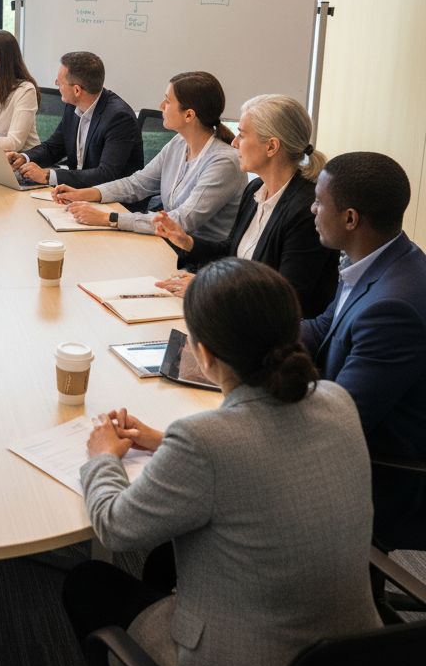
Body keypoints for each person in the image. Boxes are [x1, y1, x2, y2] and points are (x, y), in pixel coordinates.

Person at [62, 258, 380, 666]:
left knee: (87, 583)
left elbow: (115, 527)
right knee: (163, 560)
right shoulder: (335, 399)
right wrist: (162, 441)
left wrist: (102, 455)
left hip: (248, 663)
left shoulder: (204, 442)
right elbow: (262, 451)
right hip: (361, 655)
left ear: (204, 355)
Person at [301, 151, 426, 545]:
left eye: (320, 201)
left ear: (351, 218)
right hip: (355, 438)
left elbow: (338, 419)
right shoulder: (379, 259)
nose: (312, 208)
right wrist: (243, 338)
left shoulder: (394, 307)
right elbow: (323, 328)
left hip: (384, 476)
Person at [153, 94, 338, 316]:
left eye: (242, 134)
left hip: (271, 333)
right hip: (239, 316)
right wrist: (187, 241)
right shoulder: (255, 189)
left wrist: (209, 289)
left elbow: (286, 297)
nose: (234, 143)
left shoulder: (305, 210)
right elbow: (234, 253)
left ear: (271, 147)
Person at [53, 71, 245, 240]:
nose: (161, 105)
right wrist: (86, 193)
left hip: (198, 263)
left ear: (189, 115)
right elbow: (138, 183)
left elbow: (181, 221)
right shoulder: (178, 143)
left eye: (168, 101)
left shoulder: (223, 162)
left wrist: (108, 218)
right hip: (166, 244)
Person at [5, 51, 143, 188]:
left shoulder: (119, 118)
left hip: (113, 200)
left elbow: (106, 174)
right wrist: (24, 157)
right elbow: (53, 147)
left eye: (60, 82)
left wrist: (48, 176)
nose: (56, 83)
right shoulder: (73, 106)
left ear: (77, 90)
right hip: (75, 190)